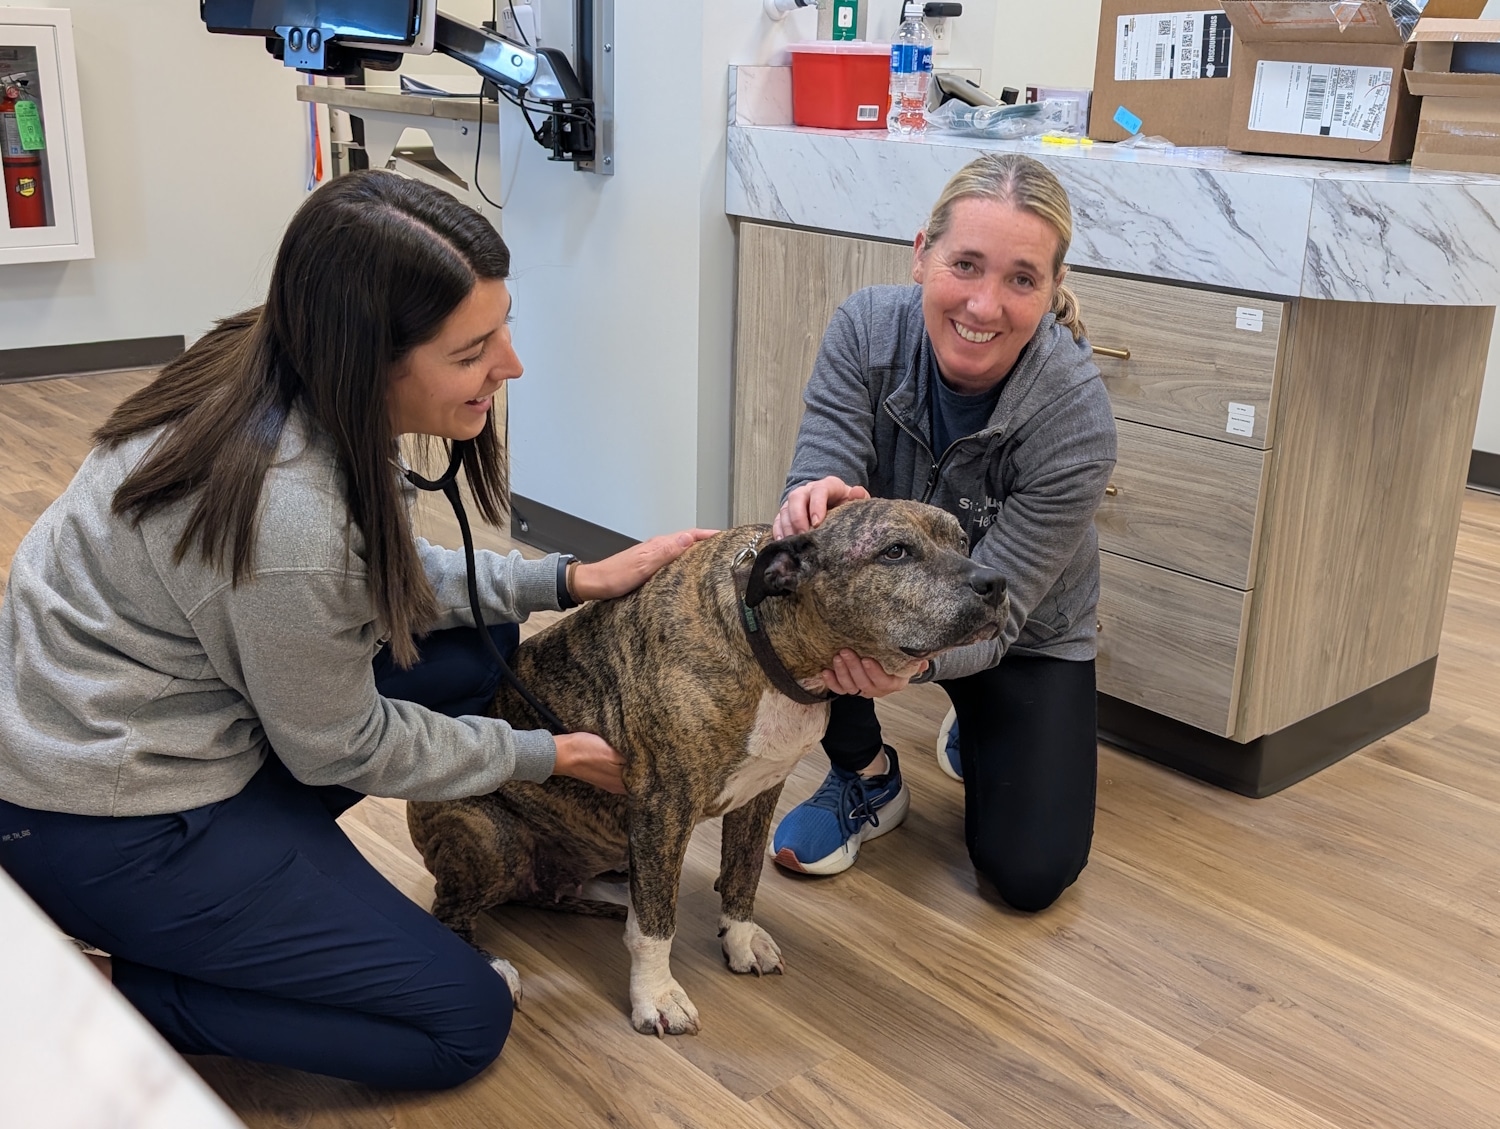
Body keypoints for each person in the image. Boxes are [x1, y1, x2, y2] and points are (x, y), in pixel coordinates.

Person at [0, 170, 712, 1089]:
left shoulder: (265, 355)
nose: (511, 366)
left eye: (504, 326)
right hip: (111, 818)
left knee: (479, 641)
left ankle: (244, 897)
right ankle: (95, 990)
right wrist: (547, 754)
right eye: (471, 350)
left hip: (124, 730)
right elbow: (342, 739)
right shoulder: (289, 513)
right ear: (369, 356)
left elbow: (376, 581)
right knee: (461, 1019)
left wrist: (565, 577)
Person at [769, 153, 1117, 914]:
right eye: (966, 264)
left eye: (1022, 278)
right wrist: (809, 498)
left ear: (1052, 289)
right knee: (806, 586)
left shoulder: (1076, 416)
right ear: (922, 252)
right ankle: (866, 775)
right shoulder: (866, 329)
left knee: (1028, 874)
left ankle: (982, 720)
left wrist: (917, 671)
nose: (985, 306)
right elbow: (821, 463)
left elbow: (1007, 610)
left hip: (1021, 628)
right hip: (896, 602)